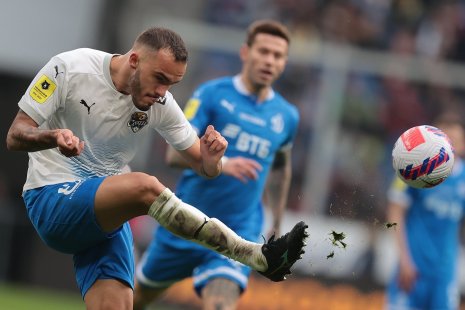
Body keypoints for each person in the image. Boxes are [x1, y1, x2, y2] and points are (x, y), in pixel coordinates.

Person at [5, 27, 308, 310]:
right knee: (144, 187)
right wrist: (53, 136)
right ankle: (253, 254)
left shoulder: (162, 102)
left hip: (106, 219)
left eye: (171, 84)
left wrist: (213, 160)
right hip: (52, 197)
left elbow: (200, 163)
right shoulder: (69, 68)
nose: (162, 91)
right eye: (159, 78)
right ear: (134, 60)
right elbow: (16, 134)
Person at [134, 20, 300, 310]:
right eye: (263, 51)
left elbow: (280, 169)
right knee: (132, 301)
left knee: (221, 304)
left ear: (284, 63)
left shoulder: (287, 116)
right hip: (185, 222)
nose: (269, 61)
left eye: (277, 55)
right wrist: (223, 162)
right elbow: (173, 155)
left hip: (238, 232)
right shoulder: (211, 94)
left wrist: (275, 221)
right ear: (245, 52)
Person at [385, 115, 465, 310]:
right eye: (449, 142)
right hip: (411, 268)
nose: (452, 148)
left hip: (445, 273)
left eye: (457, 142)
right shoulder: (415, 172)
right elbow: (394, 213)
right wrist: (403, 259)